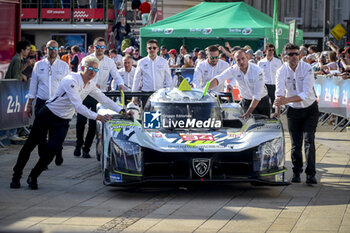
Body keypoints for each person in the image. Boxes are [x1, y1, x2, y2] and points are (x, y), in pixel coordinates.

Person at [10, 56, 132, 190]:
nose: (92, 72)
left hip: (63, 120)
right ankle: (16, 176)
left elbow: (104, 100)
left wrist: (122, 110)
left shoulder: (91, 84)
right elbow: (78, 106)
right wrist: (98, 116)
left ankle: (33, 176)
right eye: (89, 68)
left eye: (95, 69)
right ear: (82, 68)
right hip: (47, 114)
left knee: (52, 150)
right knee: (30, 145)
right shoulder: (71, 80)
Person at [10, 41, 70, 188]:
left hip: (57, 106)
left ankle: (36, 172)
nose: (53, 50)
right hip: (42, 106)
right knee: (33, 142)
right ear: (46, 50)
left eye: (56, 48)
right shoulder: (39, 65)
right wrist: (29, 104)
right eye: (50, 48)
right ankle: (16, 175)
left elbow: (69, 87)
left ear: (58, 50)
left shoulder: (63, 66)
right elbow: (33, 86)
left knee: (53, 145)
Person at [274, 43, 319, 184]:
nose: (294, 57)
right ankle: (296, 172)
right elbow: (279, 93)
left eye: (296, 53)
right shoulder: (281, 71)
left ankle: (311, 174)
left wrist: (285, 100)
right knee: (295, 144)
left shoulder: (307, 68)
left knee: (309, 141)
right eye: (291, 54)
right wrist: (277, 111)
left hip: (310, 108)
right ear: (285, 56)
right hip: (293, 110)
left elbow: (305, 94)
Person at [74, 37, 124, 158]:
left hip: (99, 95)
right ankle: (78, 143)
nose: (100, 49)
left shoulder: (109, 61)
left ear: (105, 48)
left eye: (102, 47)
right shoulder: (87, 59)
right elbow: (78, 74)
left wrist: (121, 84)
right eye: (98, 46)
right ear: (93, 46)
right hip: (85, 93)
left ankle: (86, 148)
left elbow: (116, 75)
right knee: (81, 121)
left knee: (94, 123)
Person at [208, 49, 270, 119]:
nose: (241, 62)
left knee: (264, 125)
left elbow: (257, 96)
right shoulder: (234, 69)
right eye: (238, 60)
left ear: (247, 57)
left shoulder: (257, 71)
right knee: (248, 125)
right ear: (235, 61)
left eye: (243, 58)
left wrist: (248, 113)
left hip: (262, 102)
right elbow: (219, 78)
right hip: (246, 101)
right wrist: (204, 89)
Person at [132, 39, 172, 106]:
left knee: (160, 115)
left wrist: (169, 93)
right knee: (146, 114)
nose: (152, 50)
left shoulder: (164, 62)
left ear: (158, 49)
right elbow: (136, 80)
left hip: (160, 93)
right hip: (145, 94)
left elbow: (168, 79)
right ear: (147, 49)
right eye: (150, 48)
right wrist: (134, 96)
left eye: (154, 48)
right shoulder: (141, 62)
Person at [258, 43, 282, 113]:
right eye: (270, 50)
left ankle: (276, 116)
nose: (271, 52)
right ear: (265, 51)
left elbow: (280, 73)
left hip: (275, 84)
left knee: (275, 102)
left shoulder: (278, 61)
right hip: (265, 84)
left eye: (273, 50)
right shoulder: (260, 62)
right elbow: (259, 75)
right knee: (265, 102)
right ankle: (267, 116)